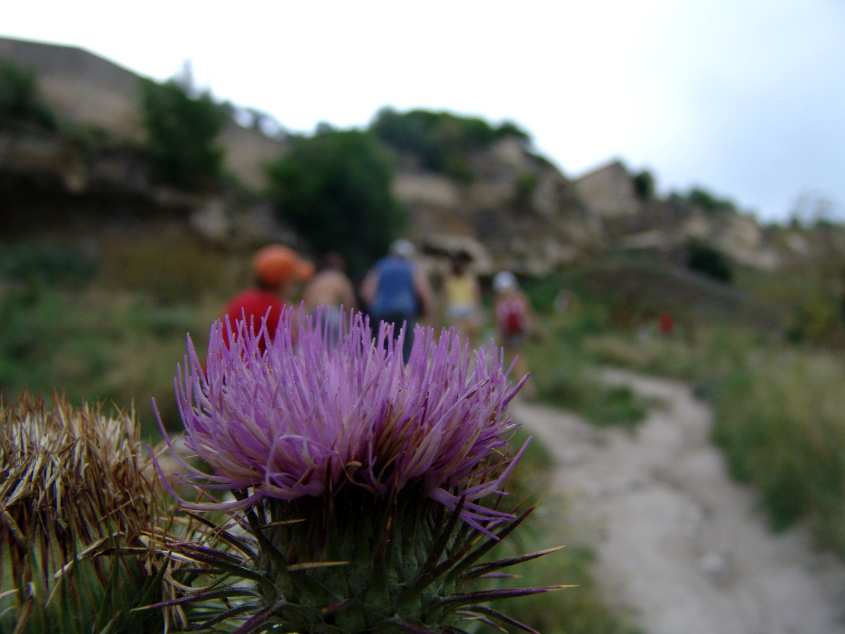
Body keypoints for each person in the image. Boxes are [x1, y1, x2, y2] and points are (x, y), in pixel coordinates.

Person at [222, 244, 313, 349]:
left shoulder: (242, 297)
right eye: (293, 281)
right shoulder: (275, 308)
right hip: (247, 365)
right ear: (284, 281)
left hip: (216, 364)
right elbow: (291, 345)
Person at [361, 239, 434, 363]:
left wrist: (374, 308)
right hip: (404, 312)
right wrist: (427, 316)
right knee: (403, 349)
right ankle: (400, 377)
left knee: (382, 349)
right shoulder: (412, 268)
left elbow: (366, 292)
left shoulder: (381, 265)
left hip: (381, 312)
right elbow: (424, 293)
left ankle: (382, 377)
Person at [493, 270, 536, 397]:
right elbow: (528, 315)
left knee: (515, 360)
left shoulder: (499, 301)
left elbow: (498, 320)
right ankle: (527, 386)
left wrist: (500, 336)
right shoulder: (520, 297)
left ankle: (525, 387)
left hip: (509, 334)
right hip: (520, 332)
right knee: (520, 357)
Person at [302, 252, 357, 346]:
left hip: (314, 312)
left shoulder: (317, 278)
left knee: (317, 344)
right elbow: (350, 301)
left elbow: (306, 299)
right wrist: (353, 319)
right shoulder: (340, 277)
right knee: (334, 345)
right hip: (331, 311)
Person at [441, 252, 482, 347]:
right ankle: (466, 356)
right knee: (463, 337)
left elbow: (475, 294)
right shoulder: (467, 277)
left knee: (465, 337)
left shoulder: (450, 278)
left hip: (462, 309)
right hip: (460, 309)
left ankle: (466, 356)